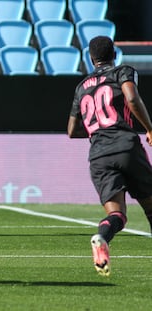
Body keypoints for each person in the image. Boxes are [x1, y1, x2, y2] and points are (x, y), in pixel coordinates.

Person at [68, 36, 152, 276]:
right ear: (114, 54)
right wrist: (149, 128)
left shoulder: (81, 86)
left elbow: (72, 131)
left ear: (91, 58)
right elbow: (132, 98)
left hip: (98, 155)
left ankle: (101, 237)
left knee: (117, 215)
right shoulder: (123, 71)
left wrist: (99, 128)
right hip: (125, 146)